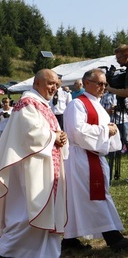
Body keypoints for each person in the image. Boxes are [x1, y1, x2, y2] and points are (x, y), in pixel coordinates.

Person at [0, 68, 69, 258]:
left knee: (43, 211)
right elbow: (30, 134)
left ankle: (46, 253)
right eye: (50, 83)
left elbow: (51, 131)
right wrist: (53, 136)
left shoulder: (43, 105)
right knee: (29, 212)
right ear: (36, 83)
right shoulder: (27, 103)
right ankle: (6, 249)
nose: (54, 88)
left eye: (56, 84)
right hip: (30, 168)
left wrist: (61, 137)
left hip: (46, 165)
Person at [62, 68, 128, 252]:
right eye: (99, 83)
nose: (103, 87)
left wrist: (110, 129)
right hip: (81, 156)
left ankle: (69, 240)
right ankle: (113, 238)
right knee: (94, 197)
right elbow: (77, 131)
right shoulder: (77, 104)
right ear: (86, 83)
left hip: (94, 156)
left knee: (80, 199)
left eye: (105, 84)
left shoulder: (97, 104)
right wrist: (106, 130)